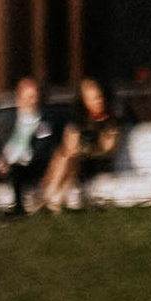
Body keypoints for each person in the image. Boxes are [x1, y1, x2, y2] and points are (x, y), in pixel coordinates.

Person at [35, 77, 119, 213]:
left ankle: (48, 197)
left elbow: (107, 149)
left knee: (65, 157)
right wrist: (77, 149)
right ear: (84, 100)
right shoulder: (78, 119)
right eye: (91, 98)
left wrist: (86, 149)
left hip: (97, 161)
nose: (97, 102)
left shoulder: (109, 120)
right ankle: (54, 202)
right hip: (77, 159)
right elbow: (69, 142)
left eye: (98, 97)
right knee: (66, 157)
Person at [0, 75, 58, 212]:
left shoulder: (43, 122)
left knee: (18, 168)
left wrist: (26, 157)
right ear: (19, 97)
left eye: (34, 96)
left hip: (28, 163)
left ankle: (18, 205)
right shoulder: (7, 118)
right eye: (28, 97)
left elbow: (43, 147)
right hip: (5, 161)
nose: (32, 101)